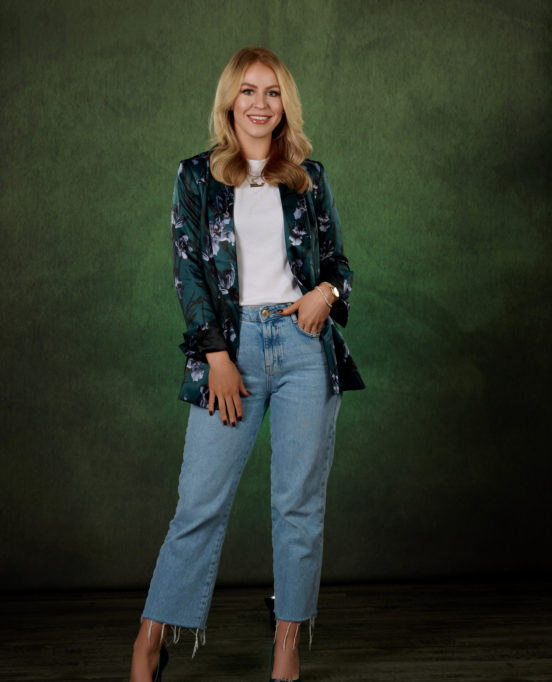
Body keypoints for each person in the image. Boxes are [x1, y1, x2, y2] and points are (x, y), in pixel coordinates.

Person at [129, 46, 365, 682]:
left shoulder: (307, 177)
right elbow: (188, 273)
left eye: (273, 92)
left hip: (303, 348)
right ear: (229, 100)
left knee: (298, 505)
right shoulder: (196, 177)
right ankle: (149, 642)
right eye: (248, 91)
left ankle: (287, 648)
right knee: (199, 504)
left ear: (285, 103)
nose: (260, 104)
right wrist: (216, 356)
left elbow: (339, 265)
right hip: (229, 352)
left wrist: (325, 293)